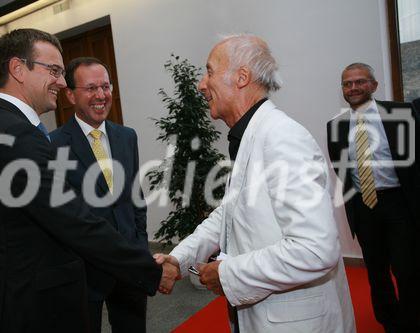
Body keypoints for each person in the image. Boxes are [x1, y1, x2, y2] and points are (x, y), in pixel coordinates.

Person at [0, 29, 177, 333]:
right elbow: (74, 221)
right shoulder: (17, 135)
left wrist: (2, 264)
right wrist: (149, 270)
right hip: (34, 306)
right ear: (18, 69)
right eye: (55, 70)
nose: (60, 81)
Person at [155, 35, 355, 333]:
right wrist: (179, 259)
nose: (201, 84)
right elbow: (229, 213)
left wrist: (228, 274)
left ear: (241, 77)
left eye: (209, 71)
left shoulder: (281, 137)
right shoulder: (251, 135)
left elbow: (316, 249)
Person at [50, 57, 149, 332]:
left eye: (106, 87)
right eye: (91, 88)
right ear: (70, 95)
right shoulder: (52, 145)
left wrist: (140, 246)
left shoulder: (127, 136)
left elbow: (135, 197)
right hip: (83, 273)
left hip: (129, 266)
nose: (101, 96)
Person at [327, 63, 419, 332]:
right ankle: (389, 322)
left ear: (374, 85)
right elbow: (342, 172)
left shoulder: (402, 113)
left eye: (359, 81)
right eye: (347, 83)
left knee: (407, 270)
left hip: (400, 204)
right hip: (365, 209)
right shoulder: (336, 127)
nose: (353, 87)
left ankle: (411, 322)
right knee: (377, 273)